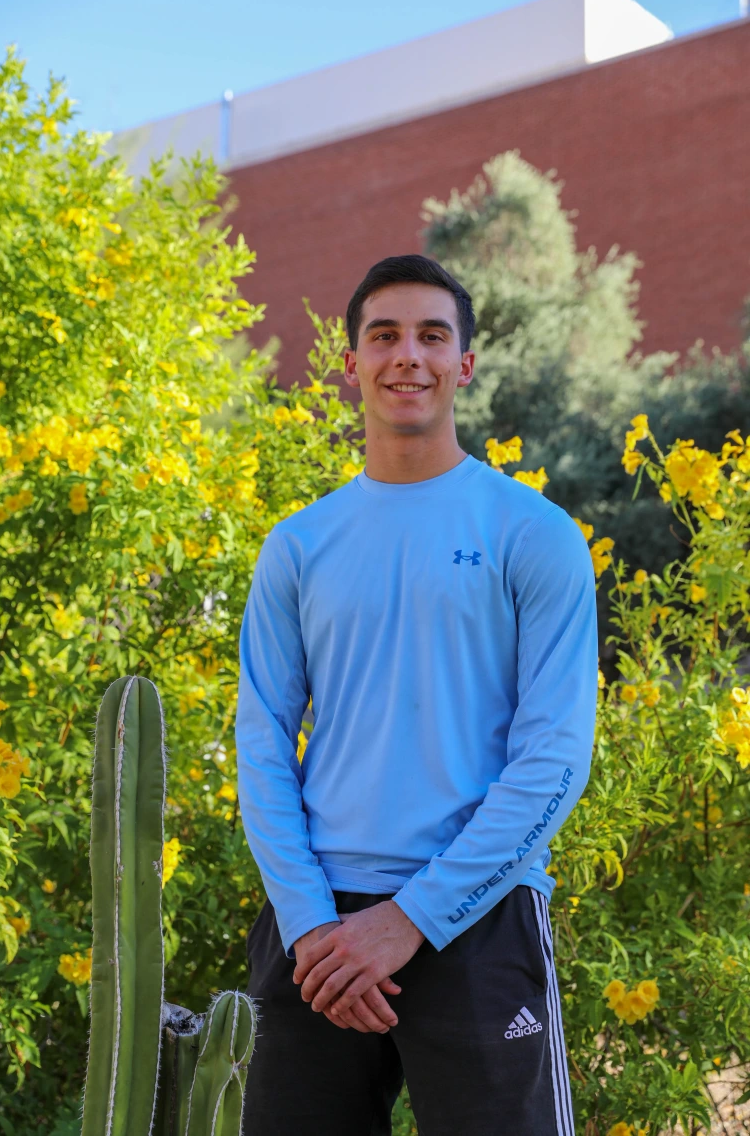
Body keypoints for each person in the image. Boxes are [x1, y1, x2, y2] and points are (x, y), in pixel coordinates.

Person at [235, 254, 598, 1136]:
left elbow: (555, 757)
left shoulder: (533, 534)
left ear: (464, 364)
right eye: (384, 335)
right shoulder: (298, 546)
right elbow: (262, 740)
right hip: (315, 930)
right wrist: (312, 927)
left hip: (478, 918)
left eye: (433, 336)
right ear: (351, 364)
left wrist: (412, 920)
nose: (410, 356)